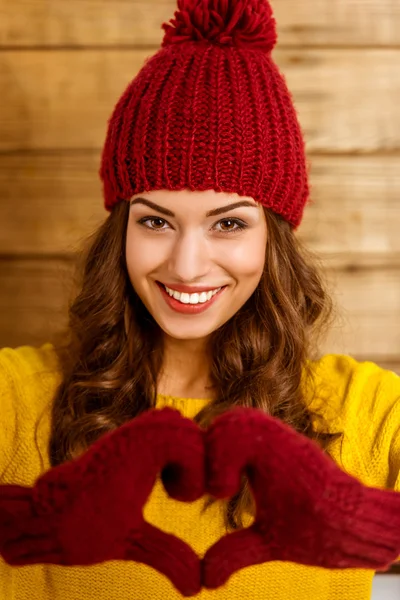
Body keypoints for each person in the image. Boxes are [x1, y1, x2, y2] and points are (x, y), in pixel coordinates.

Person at [0, 0, 399, 599]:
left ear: (274, 237)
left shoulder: (368, 413)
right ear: (120, 230)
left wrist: (370, 518)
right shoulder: (16, 399)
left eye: (229, 224)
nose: (186, 265)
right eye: (155, 222)